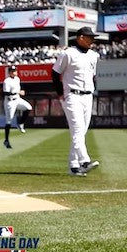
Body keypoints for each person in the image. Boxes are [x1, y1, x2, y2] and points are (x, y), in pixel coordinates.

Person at [52, 26, 101, 176]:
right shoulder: (68, 54)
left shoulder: (94, 55)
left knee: (81, 132)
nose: (92, 40)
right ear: (80, 37)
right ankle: (84, 161)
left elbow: (93, 76)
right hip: (72, 95)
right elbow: (54, 73)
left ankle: (74, 166)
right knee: (78, 129)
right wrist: (60, 94)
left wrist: (94, 90)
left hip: (88, 95)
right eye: (89, 37)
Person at [2, 64, 32, 148]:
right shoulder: (6, 81)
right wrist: (17, 92)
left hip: (17, 99)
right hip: (9, 101)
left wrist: (20, 91)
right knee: (9, 121)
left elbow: (19, 88)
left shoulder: (17, 79)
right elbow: (5, 93)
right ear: (9, 72)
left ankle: (21, 123)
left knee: (29, 108)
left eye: (15, 71)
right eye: (12, 71)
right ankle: (6, 140)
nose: (14, 72)